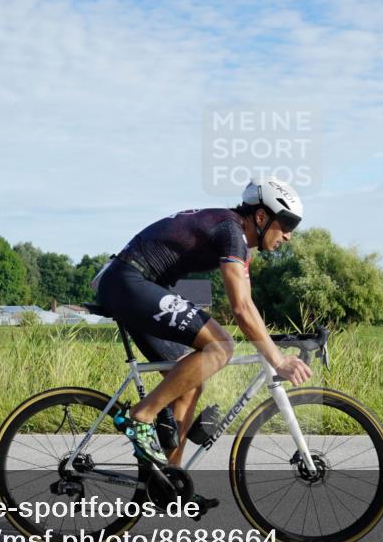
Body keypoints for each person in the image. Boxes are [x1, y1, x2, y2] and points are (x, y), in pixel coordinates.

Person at [93, 178, 313, 514]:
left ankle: (168, 480)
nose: (288, 235)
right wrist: (278, 360)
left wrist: (277, 343)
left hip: (133, 284)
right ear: (259, 217)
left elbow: (249, 307)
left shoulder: (238, 241)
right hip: (129, 281)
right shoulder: (231, 231)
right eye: (285, 224)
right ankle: (141, 416)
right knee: (221, 346)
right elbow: (239, 309)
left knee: (189, 380)